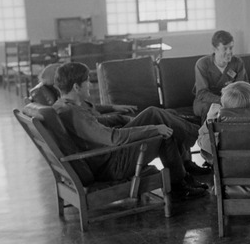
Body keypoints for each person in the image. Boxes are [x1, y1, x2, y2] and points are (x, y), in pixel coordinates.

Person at [52, 62, 207, 200]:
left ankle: (183, 177)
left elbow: (96, 121)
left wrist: (120, 117)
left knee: (164, 118)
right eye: (87, 81)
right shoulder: (74, 113)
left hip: (108, 157)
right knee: (157, 121)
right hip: (112, 164)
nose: (91, 85)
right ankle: (202, 136)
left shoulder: (64, 106)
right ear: (76, 87)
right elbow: (114, 138)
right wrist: (153, 128)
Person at [29, 63, 138, 126]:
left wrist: (113, 107)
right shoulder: (67, 107)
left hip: (109, 128)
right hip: (111, 133)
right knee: (151, 113)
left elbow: (89, 108)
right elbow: (90, 121)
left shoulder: (66, 100)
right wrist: (120, 118)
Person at [193, 30, 249, 121]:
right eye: (225, 48)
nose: (229, 52)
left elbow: (242, 87)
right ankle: (208, 134)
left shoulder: (237, 63)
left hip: (233, 100)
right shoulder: (202, 64)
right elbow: (202, 93)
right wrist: (224, 101)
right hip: (207, 101)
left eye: (231, 48)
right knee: (210, 108)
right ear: (214, 49)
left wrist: (232, 101)